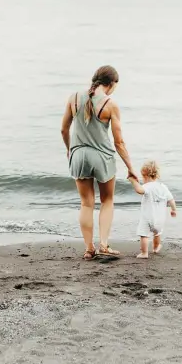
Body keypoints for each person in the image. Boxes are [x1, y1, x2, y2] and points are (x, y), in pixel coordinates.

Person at [61, 65, 137, 260]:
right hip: (102, 156)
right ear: (111, 84)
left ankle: (89, 249)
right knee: (107, 201)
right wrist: (131, 168)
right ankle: (104, 244)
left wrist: (71, 150)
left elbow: (64, 129)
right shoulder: (110, 104)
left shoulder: (74, 98)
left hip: (79, 155)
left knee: (86, 204)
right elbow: (119, 142)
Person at [128, 160, 177, 259]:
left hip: (148, 217)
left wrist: (133, 181)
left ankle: (144, 253)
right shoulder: (163, 187)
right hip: (160, 219)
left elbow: (139, 190)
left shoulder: (147, 186)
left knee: (144, 235)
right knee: (157, 233)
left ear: (145, 176)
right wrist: (173, 210)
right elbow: (171, 200)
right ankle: (156, 247)